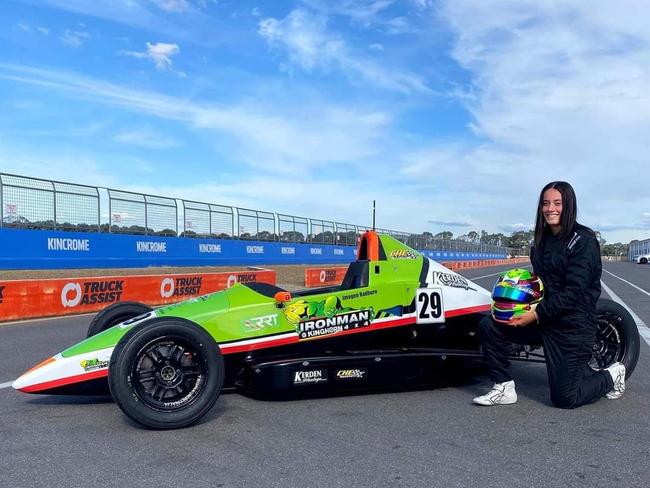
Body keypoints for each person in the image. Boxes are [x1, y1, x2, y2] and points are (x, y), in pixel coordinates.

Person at [472, 181, 626, 408]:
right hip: (543, 320)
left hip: (572, 325)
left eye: (557, 203)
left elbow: (574, 292)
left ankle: (613, 375)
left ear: (569, 205)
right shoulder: (540, 241)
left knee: (565, 398)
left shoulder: (584, 241)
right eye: (546, 203)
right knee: (490, 324)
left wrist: (536, 314)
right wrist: (517, 301)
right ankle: (503, 386)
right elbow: (539, 283)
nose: (550, 209)